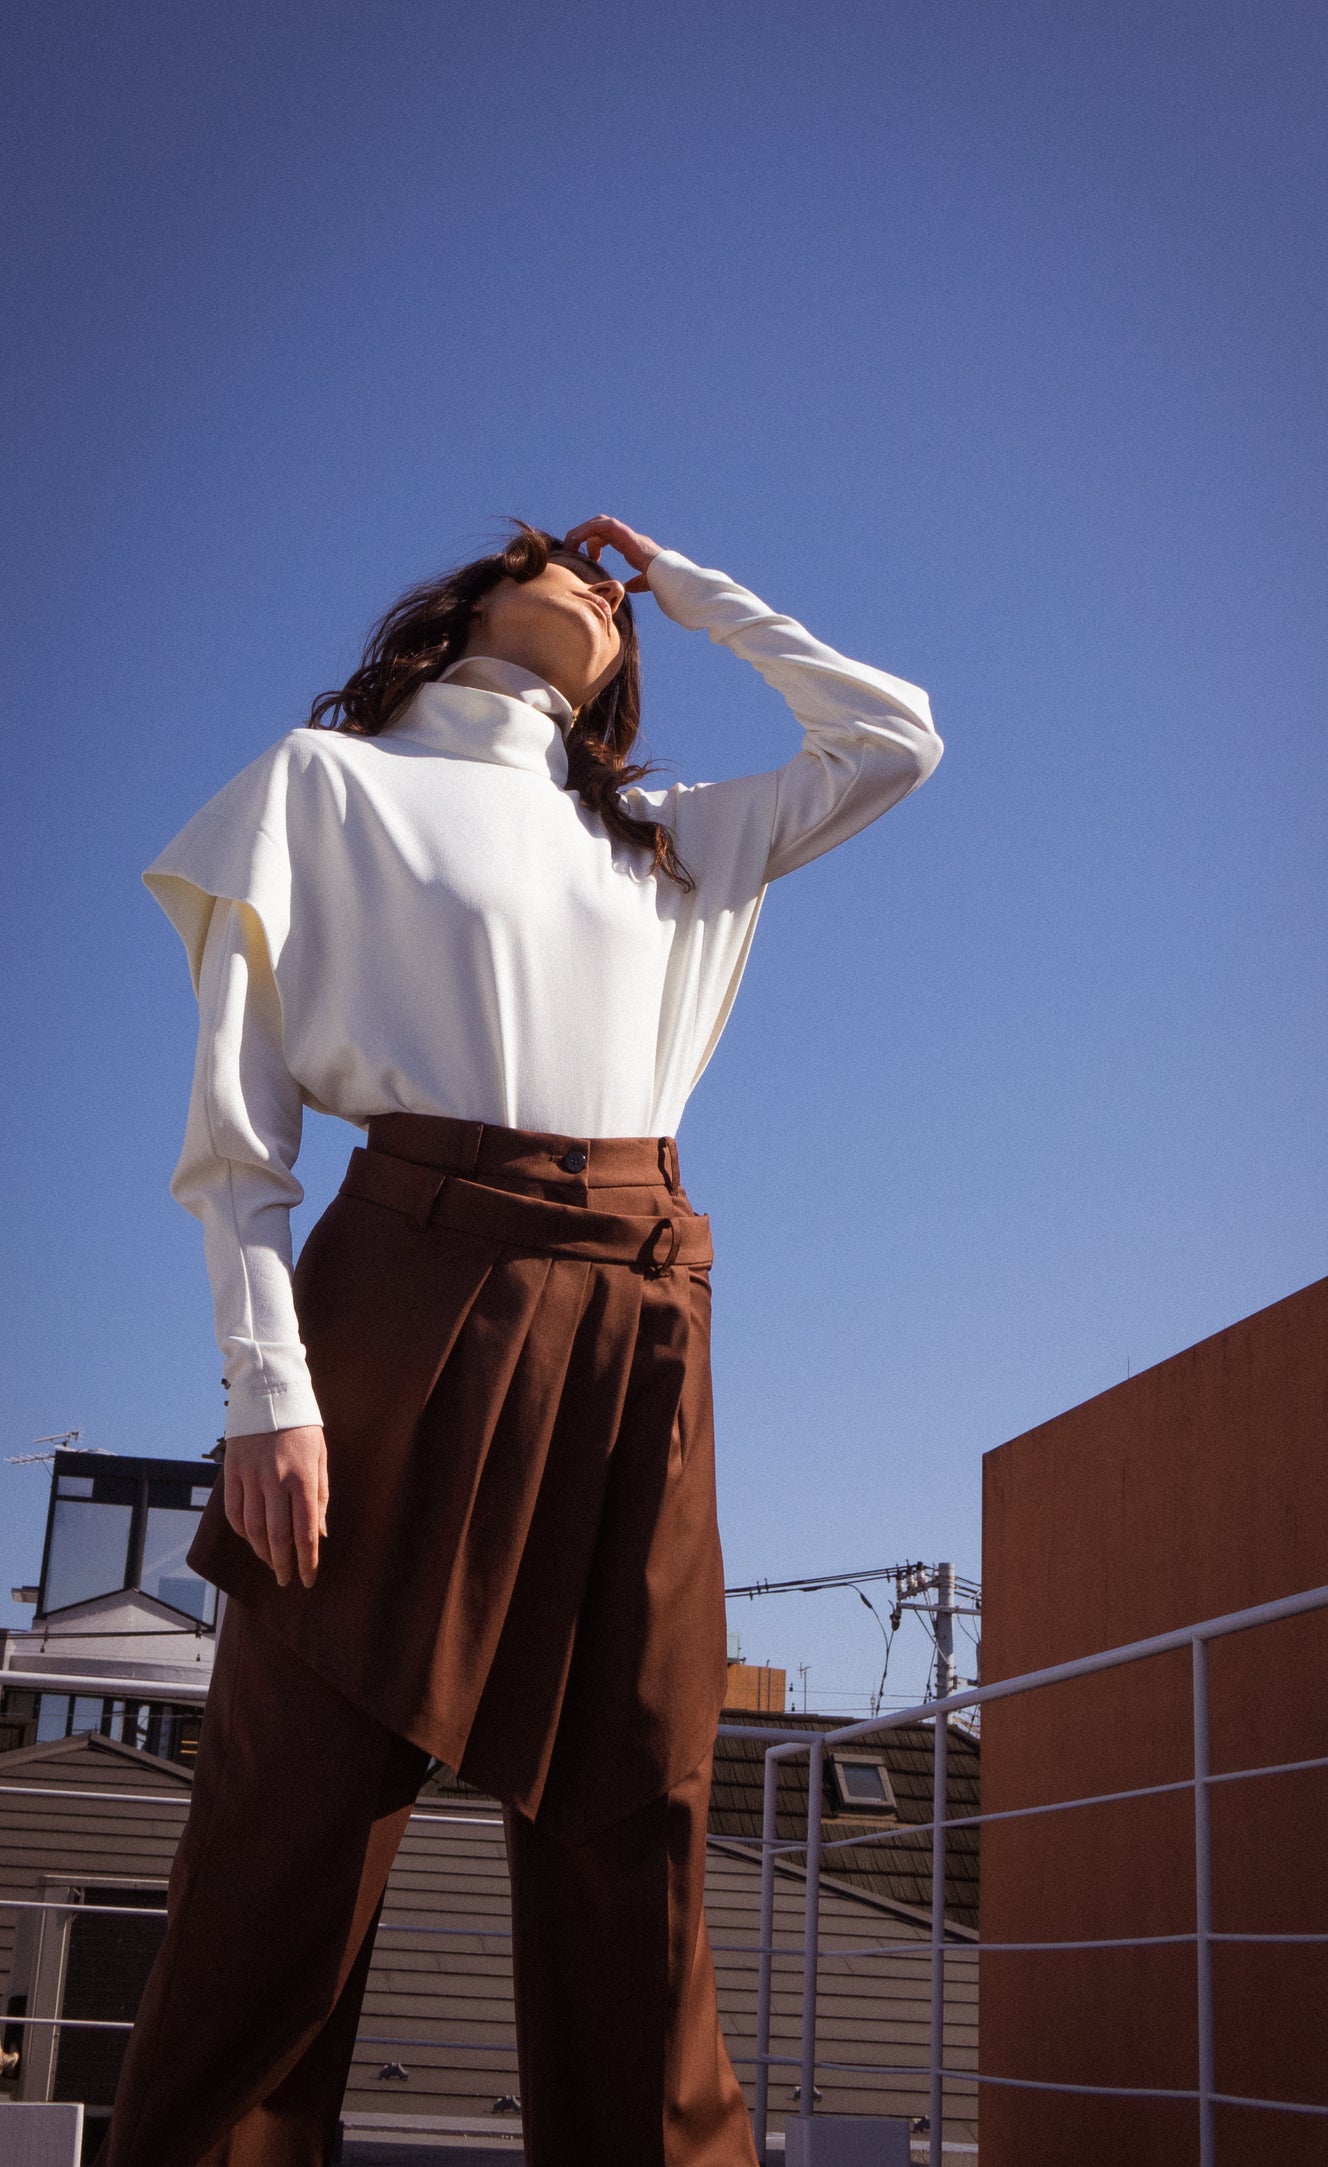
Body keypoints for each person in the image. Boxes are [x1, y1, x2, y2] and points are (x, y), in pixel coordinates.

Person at [107, 514, 942, 2167]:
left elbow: (893, 736)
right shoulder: (324, 783)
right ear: (464, 602)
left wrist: (701, 594)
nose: (595, 582)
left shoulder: (664, 837)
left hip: (642, 1308)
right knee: (296, 1812)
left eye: (615, 586)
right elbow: (242, 1129)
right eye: (554, 557)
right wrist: (267, 1391)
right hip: (407, 1292)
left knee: (637, 1810)